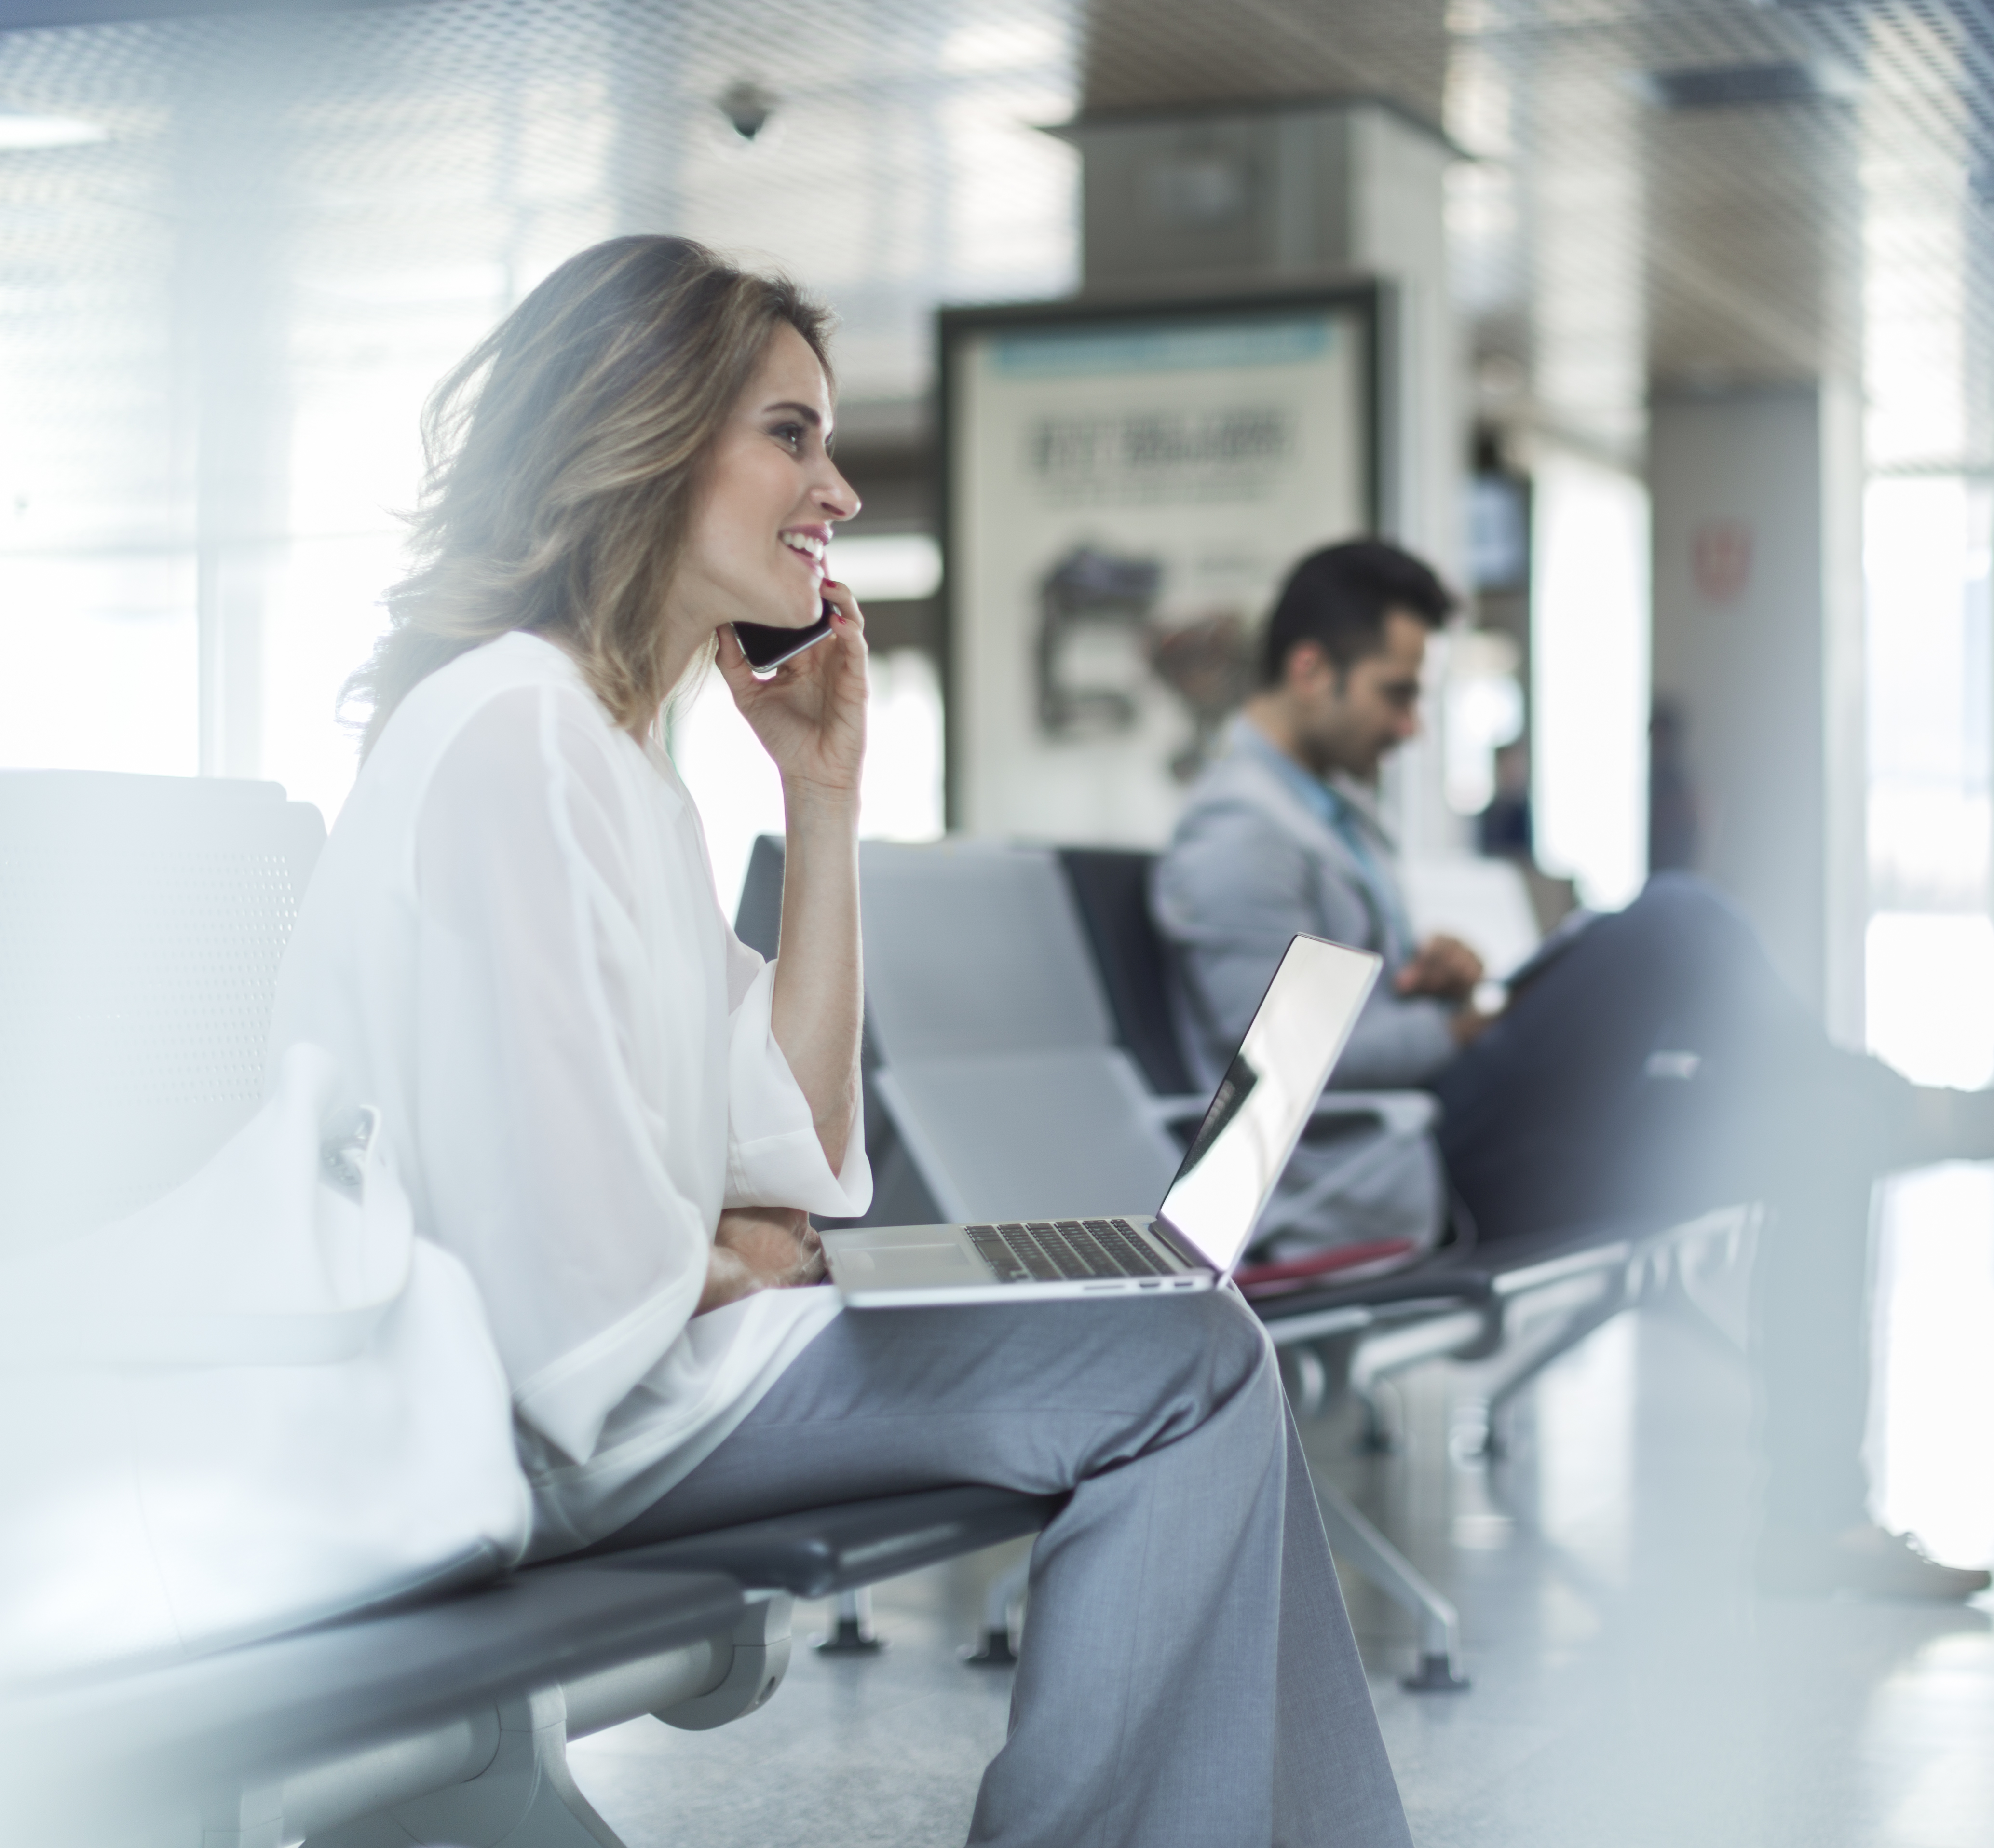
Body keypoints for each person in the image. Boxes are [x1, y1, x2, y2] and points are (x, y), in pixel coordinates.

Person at [270, 239, 1410, 1848]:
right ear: (647, 433)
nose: (842, 491)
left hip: (644, 1380)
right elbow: (568, 1297)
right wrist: (723, 1250)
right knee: (1190, 1358)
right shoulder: (515, 734)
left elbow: (793, 1151)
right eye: (792, 435)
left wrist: (822, 801)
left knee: (1190, 1335)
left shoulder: (610, 763)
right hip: (578, 1423)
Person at [1153, 540, 1994, 1602]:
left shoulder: (1319, 813)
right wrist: (1458, 1029)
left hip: (1457, 1130)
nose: (1410, 727)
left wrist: (1430, 984)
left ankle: (1820, 1524)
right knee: (1678, 916)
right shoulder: (1235, 839)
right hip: (1419, 1172)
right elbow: (1263, 1084)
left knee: (1817, 1128)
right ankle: (1903, 1105)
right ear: (1312, 670)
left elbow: (1329, 1005)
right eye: (1398, 695)